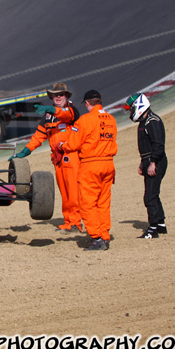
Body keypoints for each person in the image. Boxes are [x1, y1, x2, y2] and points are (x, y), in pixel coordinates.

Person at [9, 83, 82, 232]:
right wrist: (25, 151)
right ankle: (68, 222)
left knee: (73, 192)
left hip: (72, 156)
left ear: (66, 96)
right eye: (55, 95)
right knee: (64, 192)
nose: (58, 97)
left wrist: (50, 109)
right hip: (58, 159)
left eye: (61, 94)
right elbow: (38, 136)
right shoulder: (48, 117)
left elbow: (66, 115)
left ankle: (76, 222)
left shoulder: (71, 110)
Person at [61, 89, 117, 251]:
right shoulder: (111, 119)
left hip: (91, 164)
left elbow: (73, 144)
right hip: (108, 163)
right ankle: (104, 235)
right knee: (103, 202)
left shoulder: (85, 120)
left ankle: (96, 237)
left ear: (87, 103)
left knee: (87, 203)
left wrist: (63, 146)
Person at [125, 93, 168, 239]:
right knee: (154, 194)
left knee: (149, 196)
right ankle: (161, 224)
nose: (131, 113)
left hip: (156, 162)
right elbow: (146, 147)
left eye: (132, 109)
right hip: (148, 162)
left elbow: (158, 145)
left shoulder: (152, 121)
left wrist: (153, 163)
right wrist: (142, 163)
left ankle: (153, 229)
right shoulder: (143, 122)